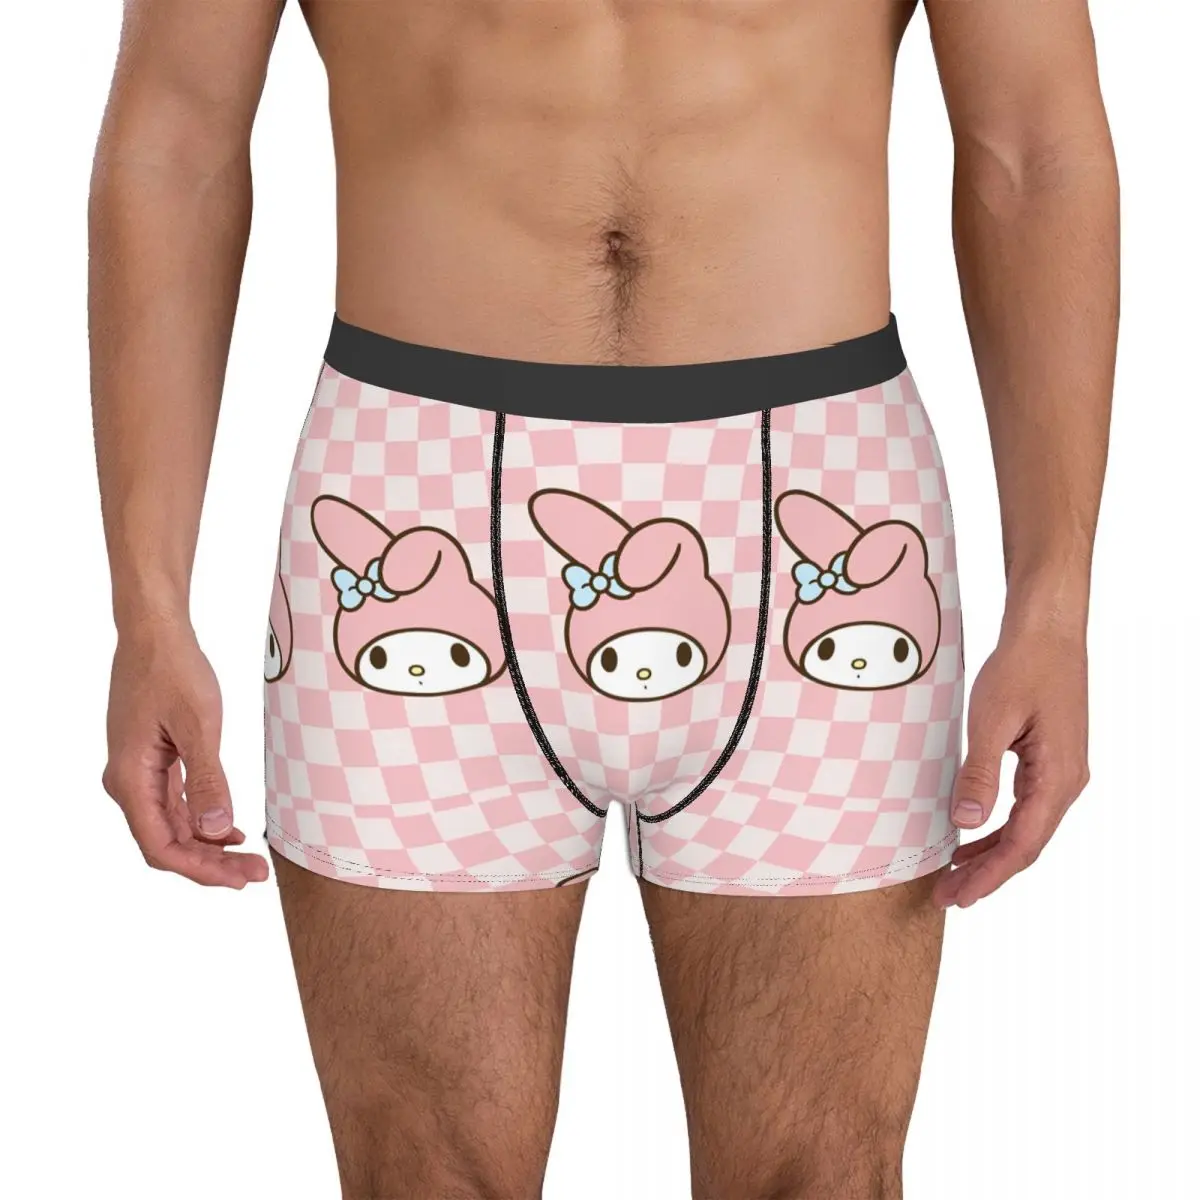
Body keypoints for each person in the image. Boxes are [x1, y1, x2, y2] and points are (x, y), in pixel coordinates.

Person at [89, 1, 1116, 1196]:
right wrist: (145, 606)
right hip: (409, 499)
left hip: (822, 500)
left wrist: (1055, 602)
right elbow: (174, 141)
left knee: (822, 1174)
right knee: (423, 1178)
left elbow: (1033, 146)